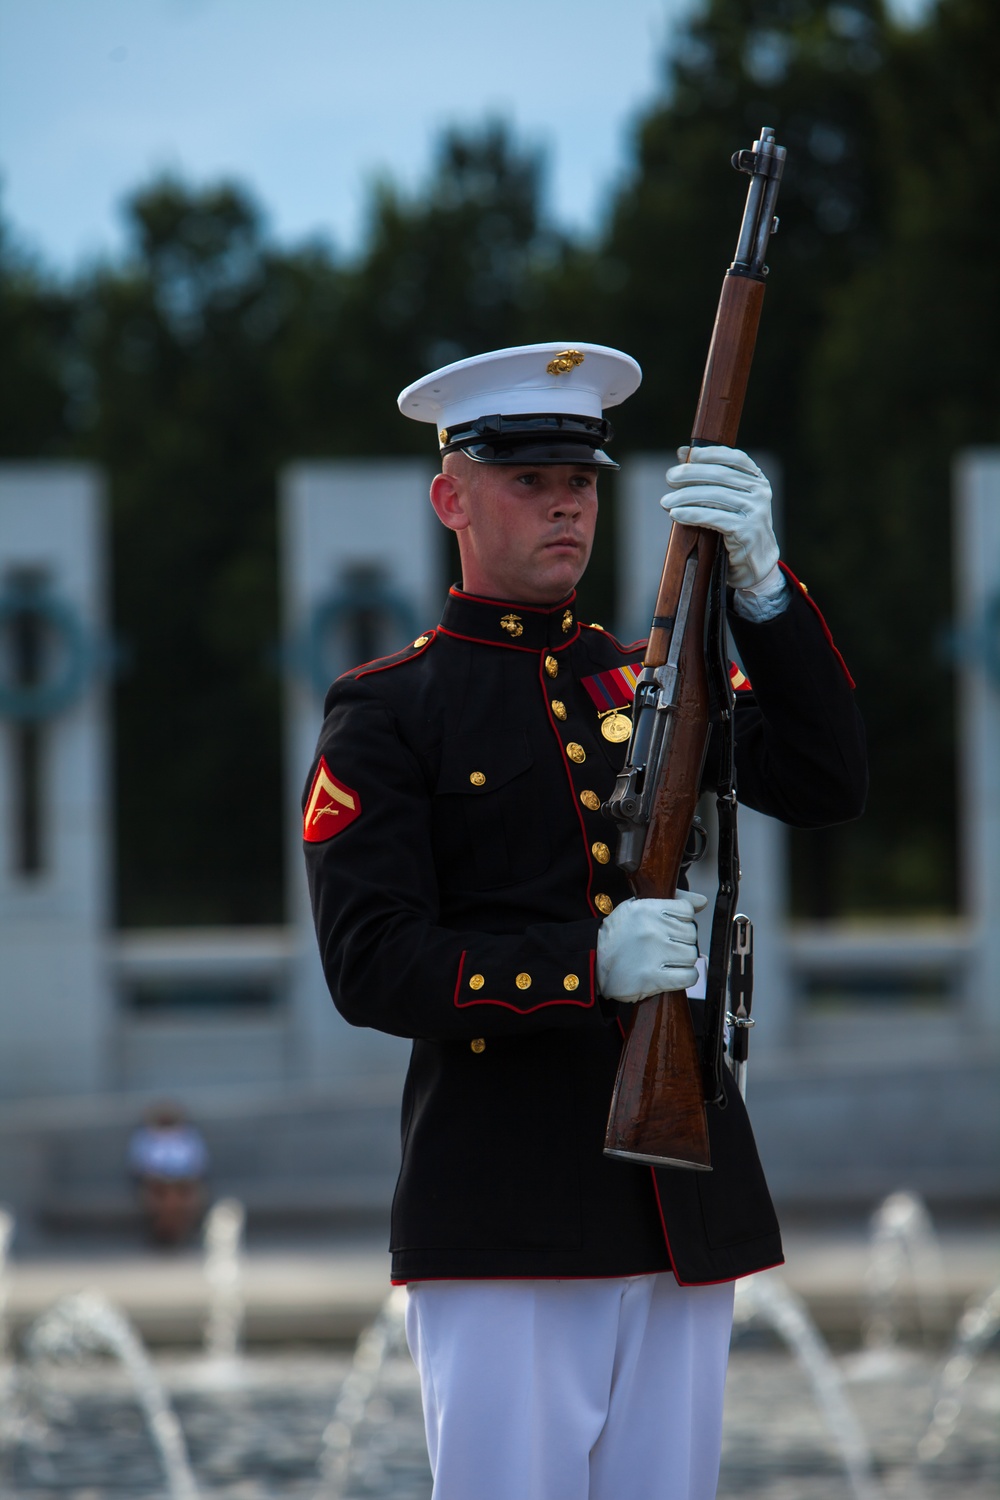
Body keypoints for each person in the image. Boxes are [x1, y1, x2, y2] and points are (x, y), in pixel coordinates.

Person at [303, 342, 866, 1500]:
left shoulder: (648, 680)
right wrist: (580, 967)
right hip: (505, 1212)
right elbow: (371, 963)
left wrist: (763, 591)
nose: (565, 502)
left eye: (582, 480)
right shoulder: (390, 710)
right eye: (527, 480)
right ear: (449, 497)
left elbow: (824, 780)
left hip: (680, 1205)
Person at [127, 1102, 209, 1246]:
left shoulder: (188, 1135)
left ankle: (176, 1235)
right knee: (166, 1202)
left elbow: (198, 1162)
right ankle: (165, 1236)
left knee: (181, 1200)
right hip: (156, 1184)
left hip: (184, 1183)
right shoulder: (145, 1136)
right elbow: (139, 1164)